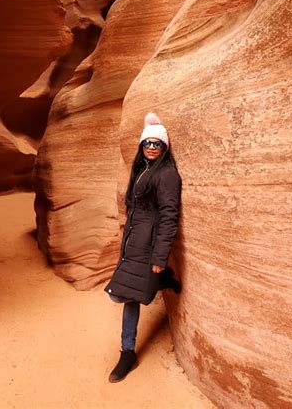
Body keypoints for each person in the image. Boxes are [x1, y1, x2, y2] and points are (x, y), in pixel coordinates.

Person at [105, 112, 182, 383]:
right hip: (134, 243)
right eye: (147, 143)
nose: (151, 147)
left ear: (164, 148)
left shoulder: (166, 174)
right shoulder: (143, 170)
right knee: (132, 289)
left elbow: (169, 216)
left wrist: (160, 255)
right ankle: (164, 279)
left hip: (147, 246)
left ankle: (128, 352)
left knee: (127, 295)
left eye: (156, 144)